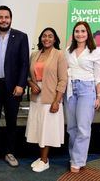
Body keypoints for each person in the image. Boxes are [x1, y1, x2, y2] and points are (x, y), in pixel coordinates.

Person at [0, 5, 29, 167]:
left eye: (6, 17)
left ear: (11, 19)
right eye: (0, 17)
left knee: (11, 120)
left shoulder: (21, 37)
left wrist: (21, 85)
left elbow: (24, 63)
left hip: (13, 87)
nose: (3, 20)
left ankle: (10, 152)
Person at [25, 28, 67, 172]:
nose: (47, 39)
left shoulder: (59, 55)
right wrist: (31, 84)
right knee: (38, 127)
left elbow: (63, 80)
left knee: (46, 129)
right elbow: (28, 77)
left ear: (55, 39)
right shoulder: (34, 54)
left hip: (51, 96)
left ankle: (44, 160)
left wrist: (57, 101)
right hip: (36, 96)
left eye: (50, 36)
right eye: (44, 36)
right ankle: (41, 157)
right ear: (40, 38)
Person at [64, 21, 100, 173]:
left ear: (88, 33)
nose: (79, 34)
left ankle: (77, 160)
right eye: (77, 31)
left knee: (83, 127)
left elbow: (98, 77)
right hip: (70, 89)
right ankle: (75, 157)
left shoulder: (95, 52)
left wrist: (98, 96)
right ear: (73, 34)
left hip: (87, 89)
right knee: (72, 127)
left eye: (83, 31)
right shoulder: (68, 50)